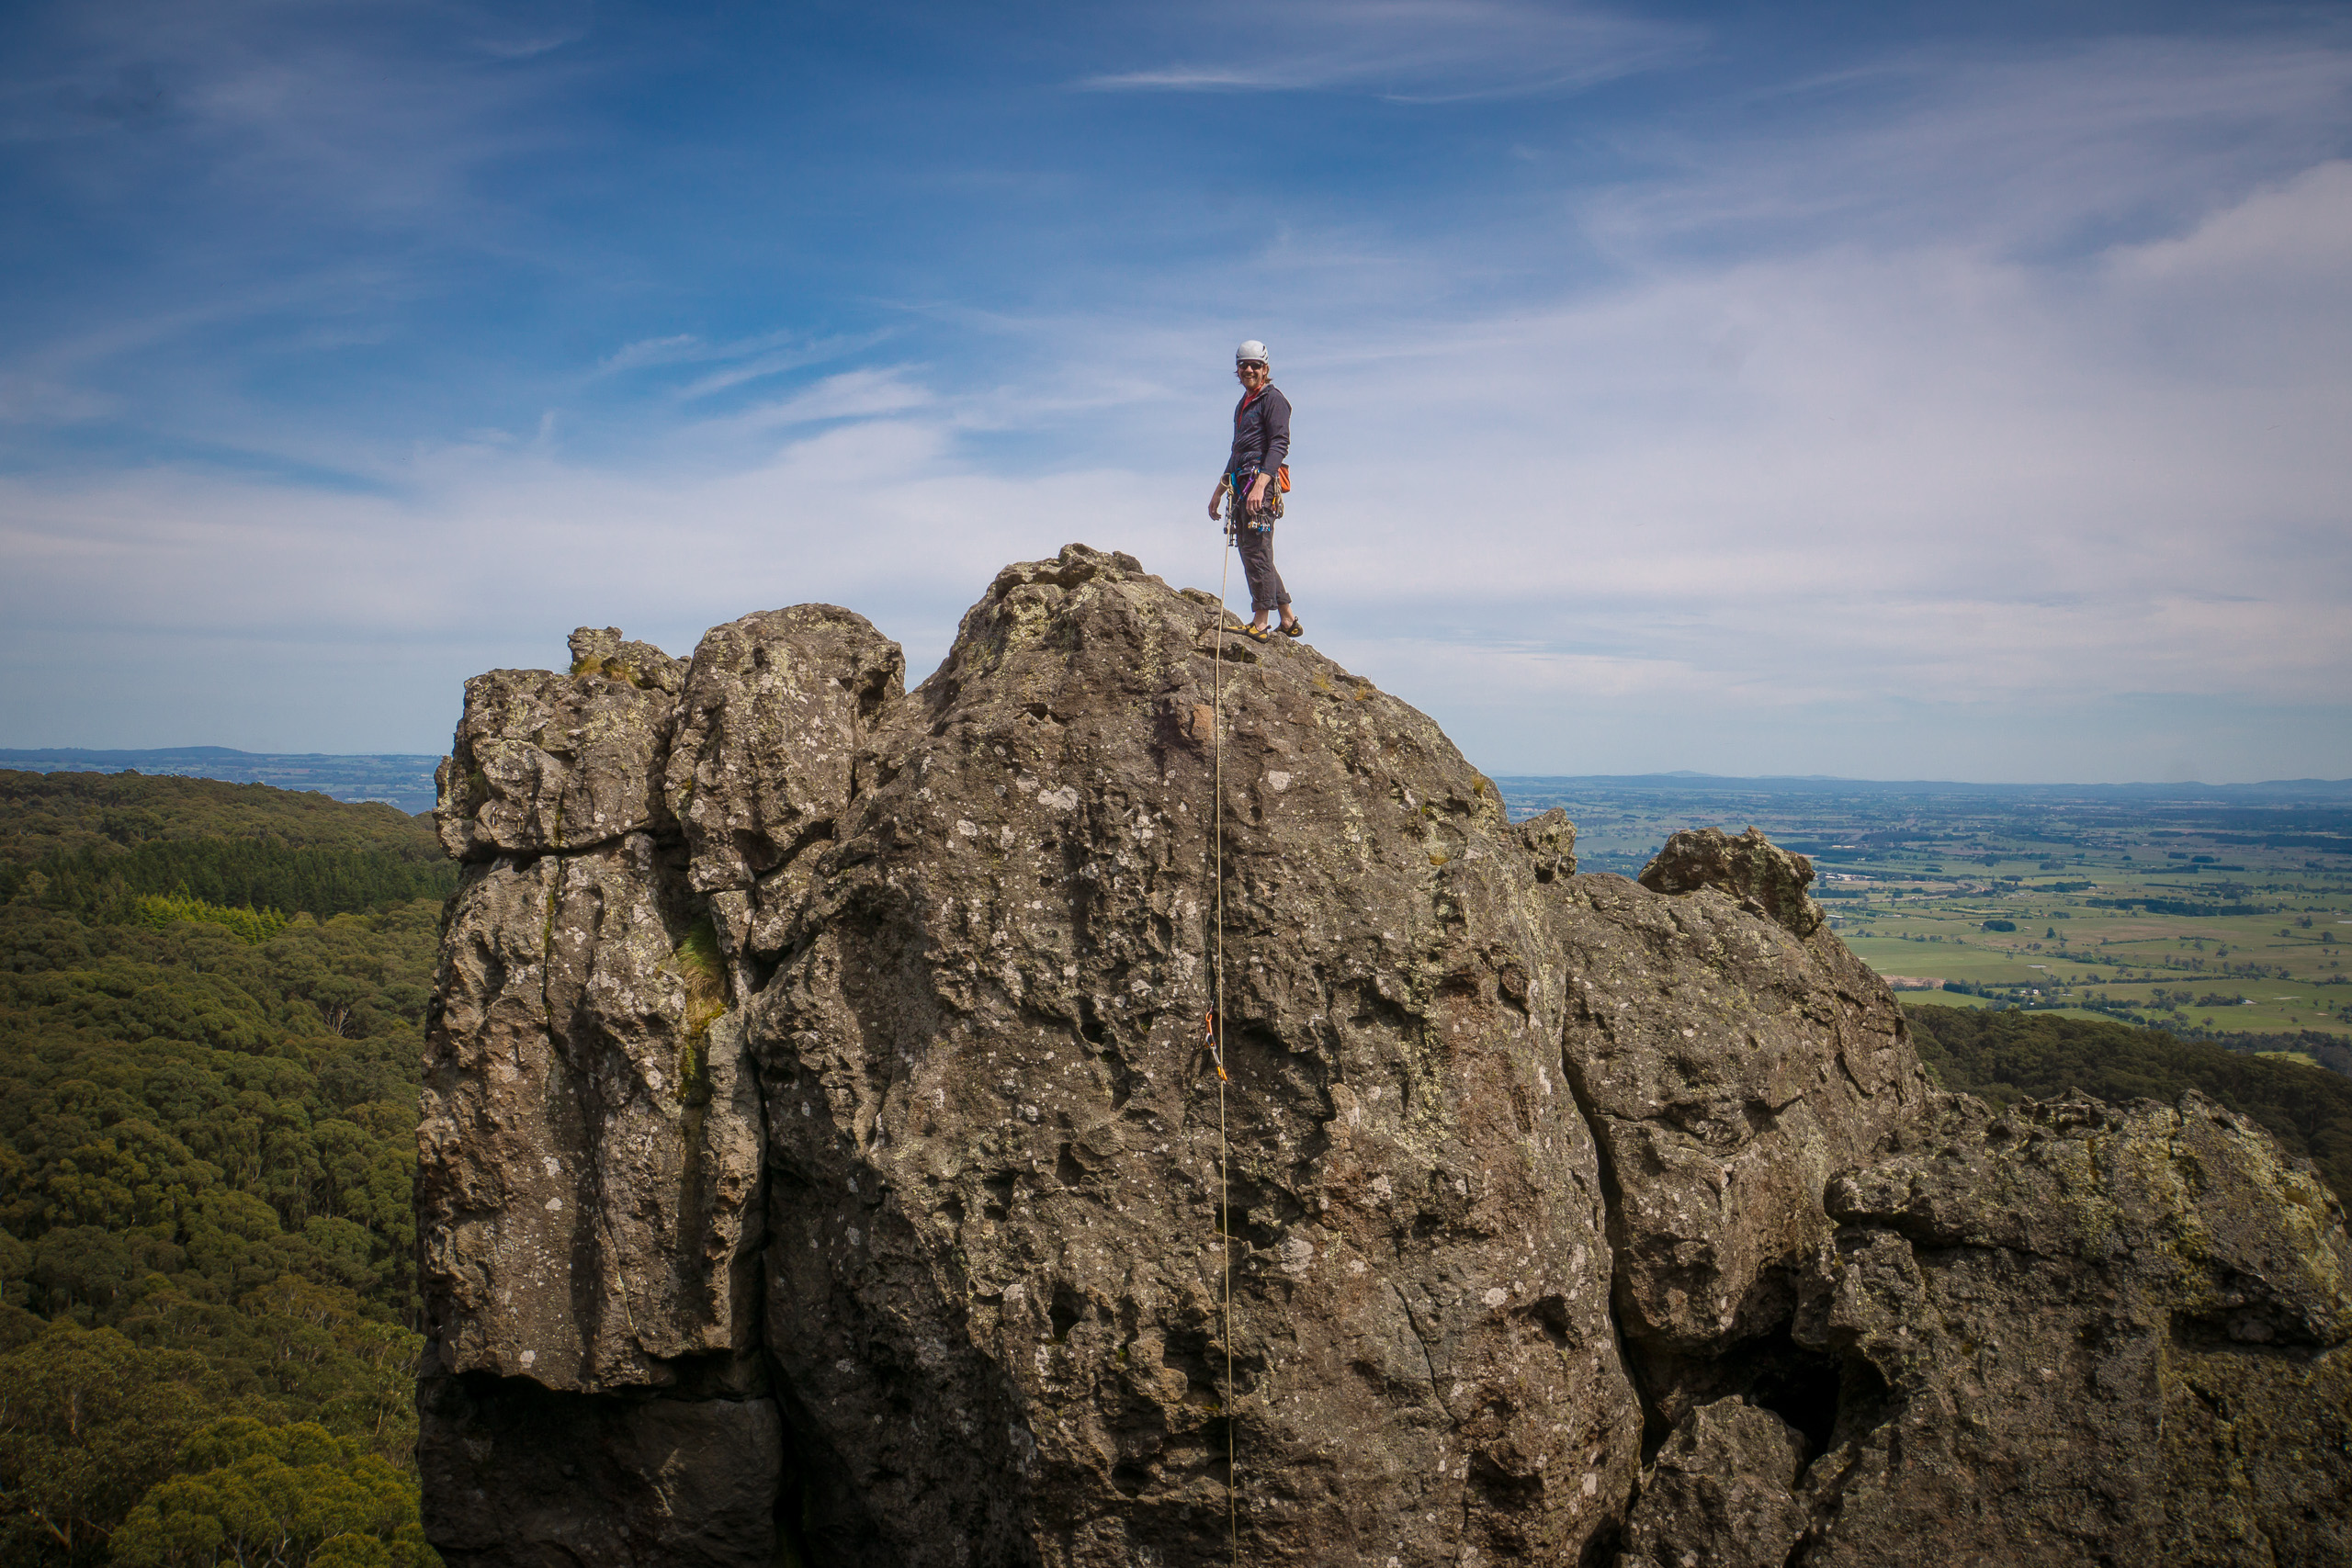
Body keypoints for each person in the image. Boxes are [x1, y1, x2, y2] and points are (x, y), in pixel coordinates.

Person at [1209, 340, 1301, 642]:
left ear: (1266, 369)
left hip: (1259, 487)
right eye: (1243, 365)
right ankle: (1286, 619)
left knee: (1257, 551)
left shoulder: (1273, 400)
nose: (1248, 369)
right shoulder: (1244, 404)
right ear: (1237, 369)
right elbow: (1237, 453)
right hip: (1242, 483)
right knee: (1256, 551)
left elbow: (1279, 444)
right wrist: (1219, 491)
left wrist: (1261, 484)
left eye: (1255, 365)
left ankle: (1260, 623)